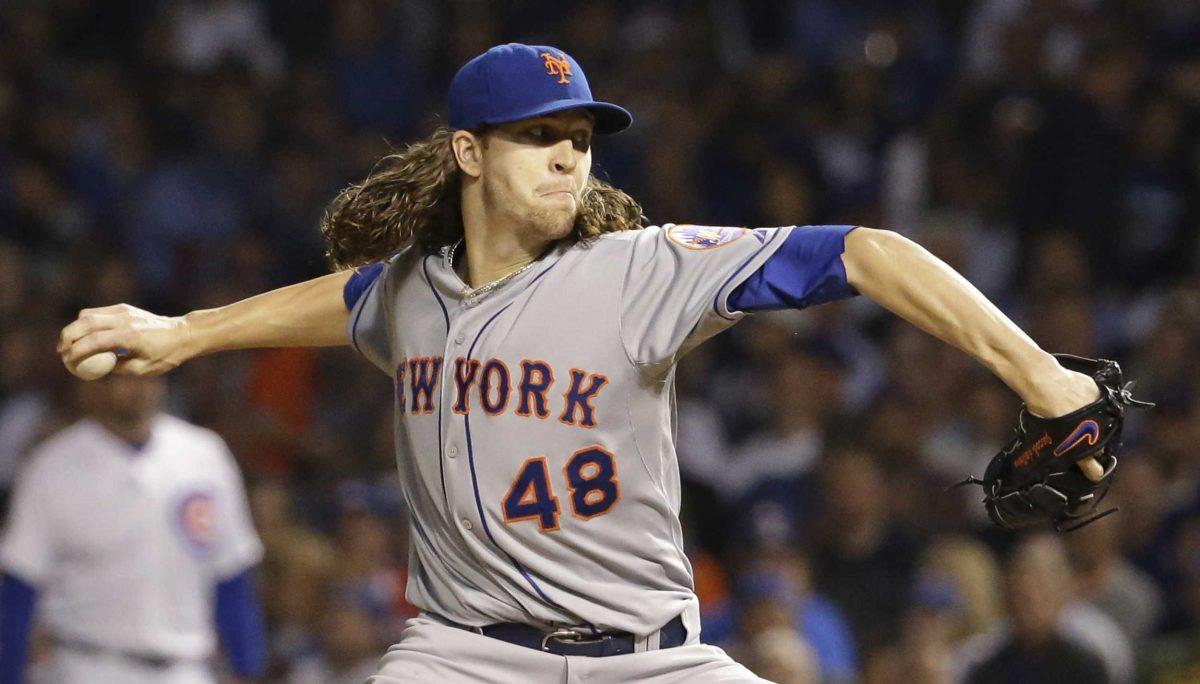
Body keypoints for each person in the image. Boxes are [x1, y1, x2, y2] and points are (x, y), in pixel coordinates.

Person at [58, 43, 1105, 682]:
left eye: (582, 135)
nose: (570, 154)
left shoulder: (642, 270)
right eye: (538, 134)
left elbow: (869, 254)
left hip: (651, 658)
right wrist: (187, 332)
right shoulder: (416, 290)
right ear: (469, 153)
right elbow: (349, 299)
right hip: (463, 657)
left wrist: (1040, 376)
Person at [0, 374, 268, 683]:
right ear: (89, 386)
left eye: (141, 376)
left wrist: (247, 668)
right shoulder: (51, 466)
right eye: (116, 379)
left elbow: (232, 575)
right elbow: (19, 589)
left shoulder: (204, 454)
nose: (130, 389)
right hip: (85, 663)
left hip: (186, 668)